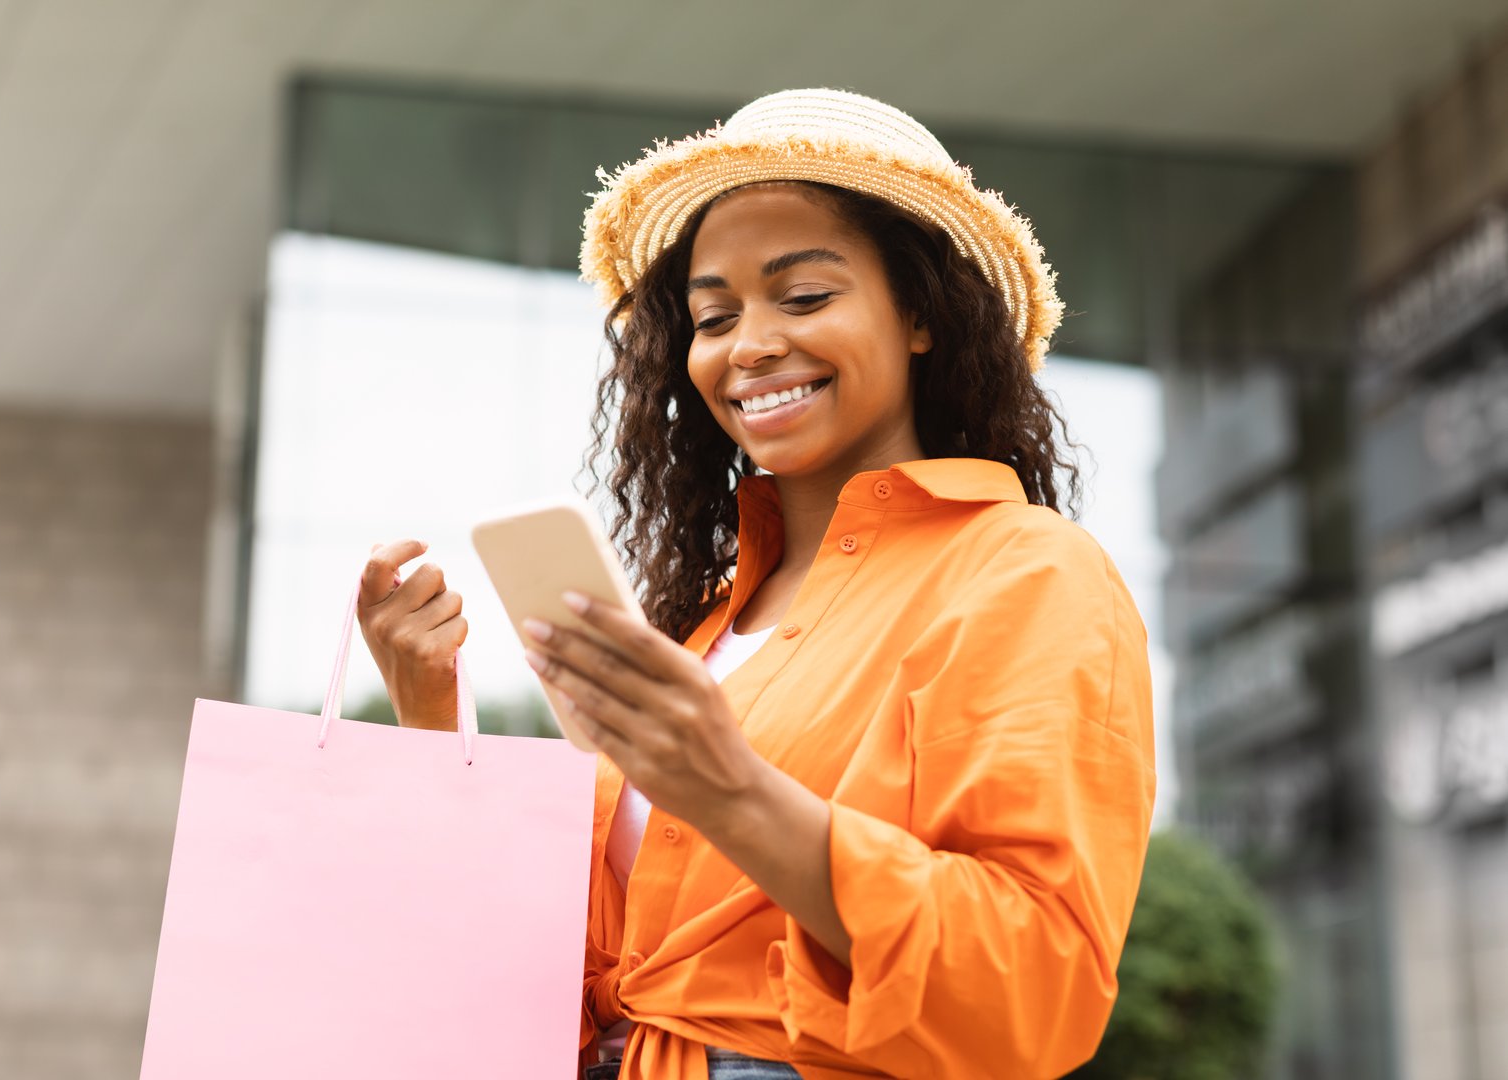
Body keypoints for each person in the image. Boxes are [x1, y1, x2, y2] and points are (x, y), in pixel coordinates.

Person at [358, 88, 1155, 1080]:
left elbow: (1031, 987)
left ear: (920, 314)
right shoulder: (698, 633)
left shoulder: (1024, 572)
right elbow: (548, 979)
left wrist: (730, 790)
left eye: (805, 296)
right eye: (713, 315)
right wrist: (431, 720)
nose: (749, 346)